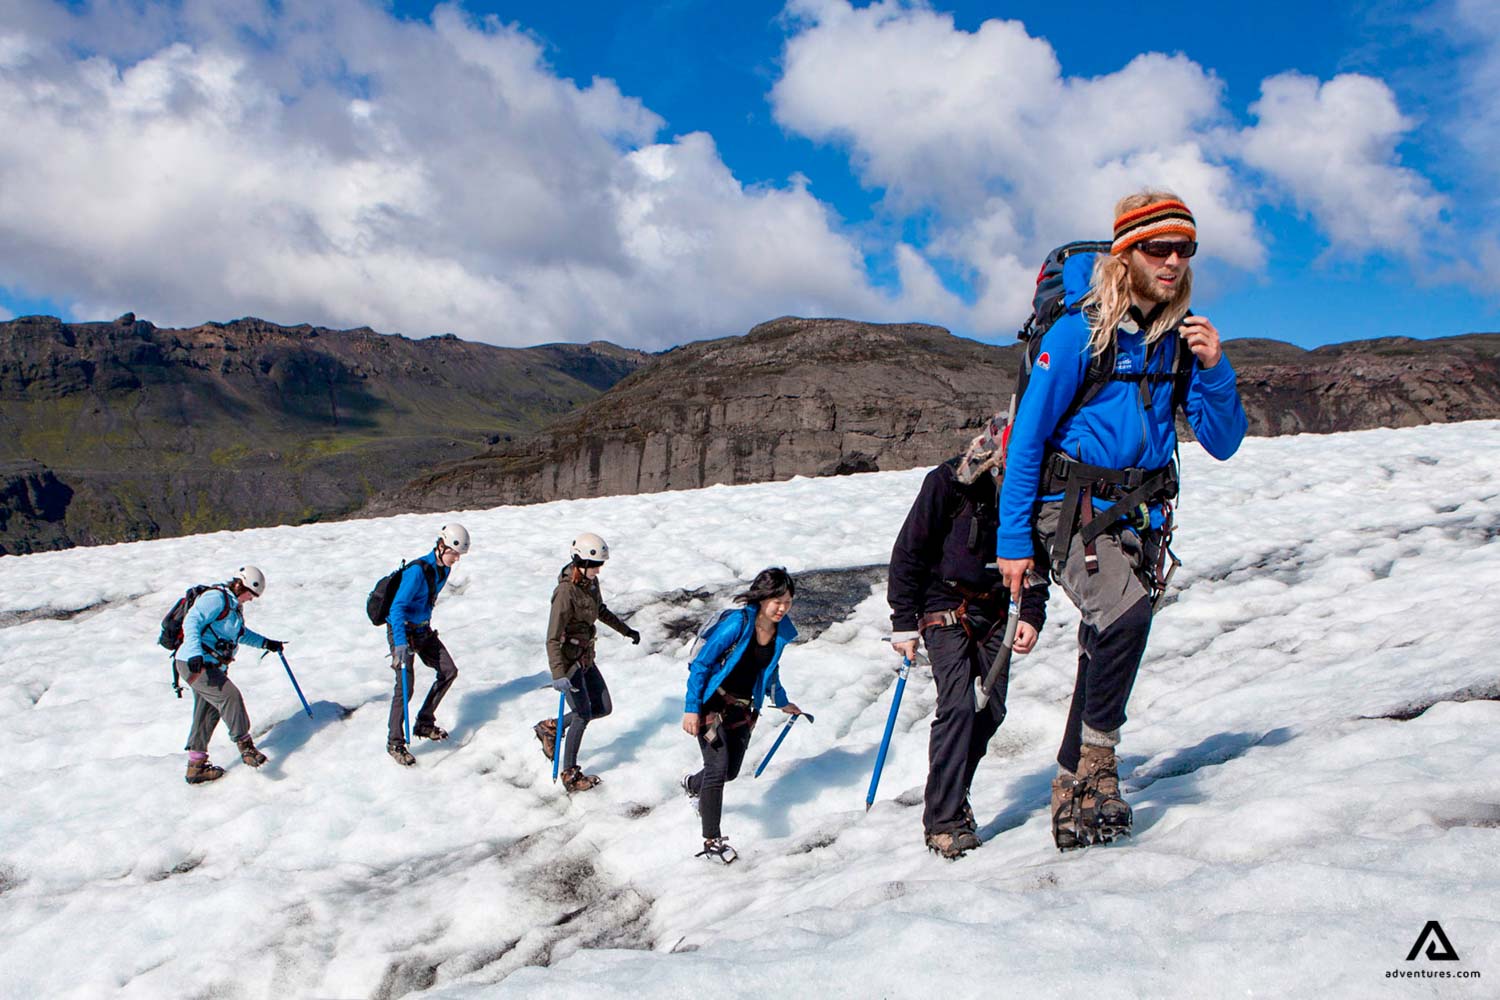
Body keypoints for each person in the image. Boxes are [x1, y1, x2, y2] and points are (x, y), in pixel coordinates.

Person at [996, 191, 1247, 849]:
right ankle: (1096, 767)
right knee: (1124, 618)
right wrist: (1013, 541)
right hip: (1071, 511)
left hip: (1139, 517)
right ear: (1126, 253)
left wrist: (1216, 369)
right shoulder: (1077, 333)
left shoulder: (1179, 339)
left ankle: (1078, 784)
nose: (1172, 260)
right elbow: (1026, 440)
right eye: (1157, 248)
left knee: (1105, 641)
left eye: (1184, 249)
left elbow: (1222, 441)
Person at [888, 424, 1050, 858]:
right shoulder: (947, 483)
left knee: (990, 712)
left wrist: (1032, 614)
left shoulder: (1031, 492)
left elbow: (1036, 560)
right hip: (945, 607)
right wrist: (904, 622)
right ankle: (942, 820)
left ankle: (955, 796)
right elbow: (909, 552)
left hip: (998, 611)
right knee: (959, 706)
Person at [680, 567, 805, 863]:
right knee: (717, 767)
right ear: (761, 598)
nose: (782, 607)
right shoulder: (738, 624)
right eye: (776, 600)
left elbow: (770, 671)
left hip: (743, 708)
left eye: (787, 601)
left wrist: (783, 701)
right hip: (712, 702)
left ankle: (691, 785)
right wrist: (691, 708)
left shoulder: (779, 633)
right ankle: (712, 841)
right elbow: (701, 665)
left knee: (729, 772)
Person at [533, 532, 640, 791]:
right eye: (595, 566)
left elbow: (599, 610)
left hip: (586, 657)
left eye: (600, 565)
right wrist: (558, 674)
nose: (599, 571)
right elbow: (552, 637)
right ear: (581, 562)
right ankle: (569, 773)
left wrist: (626, 631)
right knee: (582, 713)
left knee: (602, 707)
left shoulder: (590, 585)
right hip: (569, 662)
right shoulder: (565, 592)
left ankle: (551, 728)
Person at [177, 566, 286, 783]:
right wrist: (195, 652)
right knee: (229, 696)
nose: (251, 599)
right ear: (242, 586)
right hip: (195, 664)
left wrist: (266, 643)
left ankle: (196, 766)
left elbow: (239, 634)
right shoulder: (216, 598)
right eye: (251, 594)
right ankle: (246, 747)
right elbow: (192, 621)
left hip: (208, 665)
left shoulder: (233, 607)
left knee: (208, 711)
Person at [385, 523, 470, 767]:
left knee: (448, 672)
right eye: (453, 554)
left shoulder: (443, 570)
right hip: (402, 631)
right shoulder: (417, 571)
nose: (456, 560)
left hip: (422, 630)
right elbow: (397, 608)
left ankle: (424, 722)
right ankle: (395, 742)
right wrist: (400, 644)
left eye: (459, 556)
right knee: (405, 687)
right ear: (441, 546)